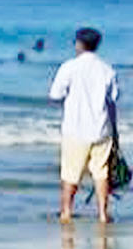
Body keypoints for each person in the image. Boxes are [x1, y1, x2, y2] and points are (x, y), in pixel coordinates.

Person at [49, 27, 120, 223]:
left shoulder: (69, 67)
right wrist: (115, 130)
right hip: (102, 128)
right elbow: (113, 100)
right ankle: (103, 214)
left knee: (71, 172)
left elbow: (55, 94)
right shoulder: (107, 69)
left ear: (79, 44)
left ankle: (66, 211)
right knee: (101, 173)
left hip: (76, 128)